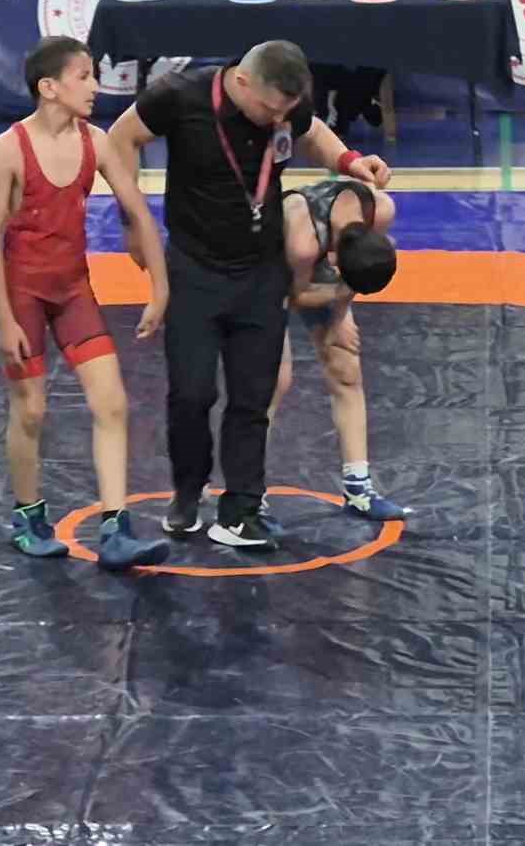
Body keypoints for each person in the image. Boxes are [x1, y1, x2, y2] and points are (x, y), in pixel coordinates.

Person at [107, 40, 392, 553]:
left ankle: (240, 511)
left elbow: (312, 132)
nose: (278, 121)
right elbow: (121, 138)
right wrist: (132, 219)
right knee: (191, 394)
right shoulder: (180, 95)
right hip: (195, 268)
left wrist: (349, 161)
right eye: (270, 109)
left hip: (261, 271)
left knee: (253, 396)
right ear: (242, 82)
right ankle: (187, 492)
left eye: (286, 111)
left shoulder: (283, 106)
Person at [0, 35, 169, 572]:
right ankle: (28, 517)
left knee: (112, 403)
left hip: (73, 290)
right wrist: (4, 319)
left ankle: (116, 529)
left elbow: (138, 211)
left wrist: (160, 287)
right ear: (49, 87)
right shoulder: (9, 148)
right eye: (83, 77)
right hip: (24, 294)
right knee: (31, 410)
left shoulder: (96, 142)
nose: (95, 87)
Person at [264, 177, 409, 531]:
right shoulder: (303, 242)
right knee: (272, 381)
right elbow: (293, 296)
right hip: (269, 268)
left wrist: (340, 316)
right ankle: (248, 492)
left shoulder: (379, 210)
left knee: (345, 368)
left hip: (322, 266)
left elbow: (357, 275)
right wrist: (339, 296)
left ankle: (358, 486)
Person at [276, 0, 406, 135]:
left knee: (388, 38)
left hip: (368, 17)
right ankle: (358, 100)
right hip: (320, 17)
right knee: (310, 39)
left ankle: (347, 101)